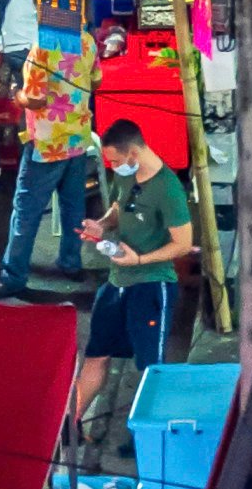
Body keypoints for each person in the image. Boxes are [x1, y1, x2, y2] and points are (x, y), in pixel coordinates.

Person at [74, 116, 199, 436]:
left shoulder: (168, 190)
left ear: (133, 154)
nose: (112, 166)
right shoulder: (126, 175)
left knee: (150, 369)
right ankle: (69, 424)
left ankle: (150, 436)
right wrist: (102, 225)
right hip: (117, 281)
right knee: (95, 355)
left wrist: (140, 258)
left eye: (116, 160)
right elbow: (118, 207)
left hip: (152, 285)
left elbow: (183, 244)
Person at [1, 32, 99, 294]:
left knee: (26, 210)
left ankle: (13, 276)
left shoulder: (43, 47)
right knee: (73, 207)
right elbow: (96, 80)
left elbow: (36, 99)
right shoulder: (86, 40)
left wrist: (17, 95)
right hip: (77, 137)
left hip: (47, 143)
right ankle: (71, 263)